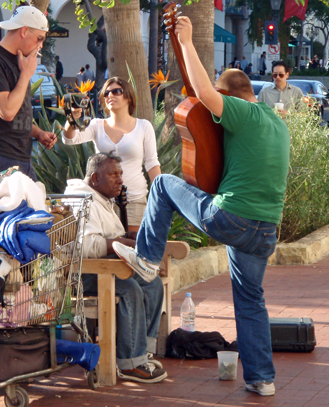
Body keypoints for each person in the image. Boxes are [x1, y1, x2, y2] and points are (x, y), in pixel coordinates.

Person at [112, 15, 289, 397]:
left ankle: (145, 258)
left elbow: (206, 93)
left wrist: (187, 42)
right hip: (265, 230)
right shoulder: (277, 124)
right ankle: (262, 379)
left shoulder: (242, 113)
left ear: (234, 99)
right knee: (251, 299)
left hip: (232, 217)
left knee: (161, 185)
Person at [64, 152, 167, 384]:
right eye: (113, 174)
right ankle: (130, 364)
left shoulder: (103, 199)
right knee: (130, 289)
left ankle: (143, 354)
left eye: (121, 174)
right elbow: (87, 246)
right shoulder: (83, 199)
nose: (120, 179)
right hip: (86, 274)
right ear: (95, 178)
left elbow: (108, 236)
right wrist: (123, 243)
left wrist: (125, 236)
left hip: (108, 269)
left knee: (152, 282)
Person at [62, 77, 161, 232]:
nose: (110, 95)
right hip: (102, 201)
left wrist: (161, 195)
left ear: (128, 96)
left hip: (134, 198)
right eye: (106, 93)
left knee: (134, 247)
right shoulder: (96, 125)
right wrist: (71, 118)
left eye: (116, 91)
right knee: (107, 248)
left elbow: (151, 163)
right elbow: (70, 139)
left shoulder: (143, 126)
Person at [0, 6, 57, 182]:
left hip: (20, 156)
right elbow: (7, 112)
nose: (40, 46)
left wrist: (38, 133)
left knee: (34, 208)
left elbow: (17, 112)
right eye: (39, 39)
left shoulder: (19, 61)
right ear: (24, 31)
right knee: (11, 210)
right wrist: (26, 74)